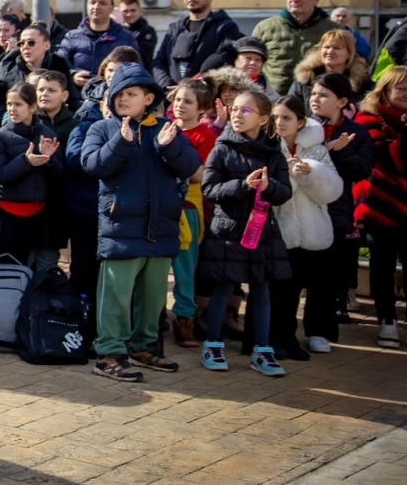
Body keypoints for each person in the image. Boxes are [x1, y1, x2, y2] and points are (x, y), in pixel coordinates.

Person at [79, 64, 201, 382]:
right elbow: (91, 165)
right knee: (116, 297)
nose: (123, 99)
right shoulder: (103, 129)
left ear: (148, 99)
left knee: (154, 297)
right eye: (118, 93)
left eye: (131, 93)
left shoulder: (167, 129)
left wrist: (169, 146)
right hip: (121, 229)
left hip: (161, 228)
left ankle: (145, 347)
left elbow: (191, 167)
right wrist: (121, 143)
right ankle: (109, 353)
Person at [198, 89, 292, 376]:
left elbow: (285, 192)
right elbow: (209, 188)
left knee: (261, 290)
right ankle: (213, 345)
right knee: (224, 288)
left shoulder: (273, 152)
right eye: (235, 109)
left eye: (246, 110)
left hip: (261, 230)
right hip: (229, 230)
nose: (237, 114)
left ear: (263, 119)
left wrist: (268, 187)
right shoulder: (222, 148)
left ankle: (262, 350)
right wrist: (243, 186)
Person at [270, 94, 342, 362]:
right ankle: (276, 339)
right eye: (276, 117)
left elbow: (332, 191)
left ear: (300, 122)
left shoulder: (317, 149)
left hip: (313, 230)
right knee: (280, 290)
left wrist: (311, 173)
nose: (280, 122)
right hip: (279, 229)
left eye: (286, 118)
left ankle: (294, 339)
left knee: (303, 287)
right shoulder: (268, 146)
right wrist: (289, 177)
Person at [308, 73, 371, 351]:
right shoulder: (303, 127)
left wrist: (341, 151)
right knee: (296, 273)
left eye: (323, 95)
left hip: (336, 211)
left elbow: (362, 170)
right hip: (303, 208)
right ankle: (284, 331)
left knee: (326, 275)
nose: (315, 99)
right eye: (313, 94)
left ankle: (320, 332)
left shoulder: (356, 132)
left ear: (342, 102)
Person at [354, 68, 407, 348]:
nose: (406, 94)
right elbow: (384, 157)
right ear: (385, 90)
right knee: (382, 266)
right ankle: (387, 319)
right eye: (400, 88)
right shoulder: (369, 119)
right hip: (379, 205)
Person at [0, 82, 62, 274]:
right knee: (8, 266)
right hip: (8, 210)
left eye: (18, 104)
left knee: (31, 266)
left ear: (32, 107)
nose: (12, 109)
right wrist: (26, 161)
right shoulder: (1, 136)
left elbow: (58, 175)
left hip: (37, 210)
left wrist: (48, 159)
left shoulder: (47, 134)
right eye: (9, 104)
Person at [168, 80, 217, 348]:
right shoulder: (163, 128)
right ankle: (153, 317)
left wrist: (171, 152)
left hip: (187, 209)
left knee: (185, 269)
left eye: (188, 101)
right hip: (160, 206)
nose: (180, 105)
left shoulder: (206, 136)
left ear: (202, 108)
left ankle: (184, 318)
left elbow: (199, 175)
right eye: (178, 99)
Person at [252, 0, 339, 96]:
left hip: (316, 99)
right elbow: (251, 65)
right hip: (273, 100)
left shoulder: (333, 30)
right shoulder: (265, 28)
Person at [152, 0, 243, 89]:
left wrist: (195, 86)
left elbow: (225, 60)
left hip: (206, 95)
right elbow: (159, 62)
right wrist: (167, 85)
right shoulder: (175, 29)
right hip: (172, 95)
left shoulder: (225, 27)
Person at [58, 0, 138, 90]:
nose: (96, 7)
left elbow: (136, 70)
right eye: (92, 2)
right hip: (79, 96)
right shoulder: (72, 37)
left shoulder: (126, 38)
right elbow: (59, 67)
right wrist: (73, 76)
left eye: (102, 3)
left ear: (111, 8)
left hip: (112, 95)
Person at [289, 29, 372, 106]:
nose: (330, 52)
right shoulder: (307, 78)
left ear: (349, 53)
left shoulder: (362, 83)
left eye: (337, 48)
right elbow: (291, 107)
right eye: (327, 47)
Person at [116, 0, 158, 71]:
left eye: (133, 10)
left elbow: (142, 57)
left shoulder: (147, 31)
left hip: (140, 74)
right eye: (125, 11)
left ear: (139, 10)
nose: (129, 14)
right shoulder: (116, 30)